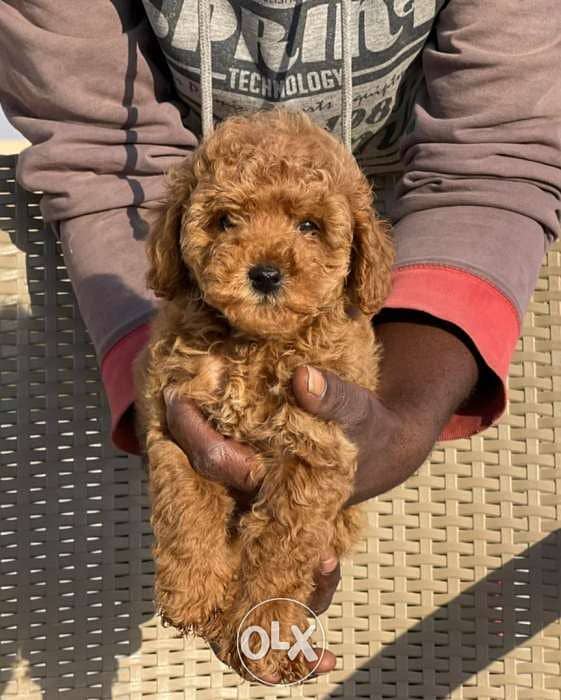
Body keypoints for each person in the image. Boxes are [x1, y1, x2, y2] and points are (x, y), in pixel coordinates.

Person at [1, 0, 560, 679]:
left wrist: (404, 417)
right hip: (159, 275)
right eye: (229, 220)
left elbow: (498, 148)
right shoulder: (176, 241)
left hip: (415, 256)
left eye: (303, 229)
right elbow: (97, 148)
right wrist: (165, 401)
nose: (265, 257)